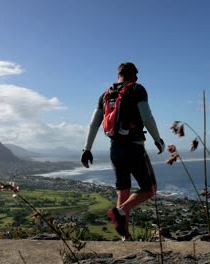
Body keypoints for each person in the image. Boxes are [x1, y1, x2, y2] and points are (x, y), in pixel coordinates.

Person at [81, 62, 165, 239]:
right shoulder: (137, 89)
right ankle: (121, 210)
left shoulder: (105, 95)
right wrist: (157, 139)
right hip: (134, 147)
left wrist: (87, 149)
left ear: (118, 75)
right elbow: (147, 117)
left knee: (123, 192)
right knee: (150, 189)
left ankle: (125, 237)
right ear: (134, 75)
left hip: (115, 148)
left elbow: (94, 123)